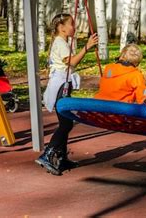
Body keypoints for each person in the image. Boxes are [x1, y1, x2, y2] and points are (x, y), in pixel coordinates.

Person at [36, 13, 98, 176]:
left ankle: (61, 157)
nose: (74, 27)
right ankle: (48, 154)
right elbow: (72, 62)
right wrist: (87, 46)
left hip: (63, 84)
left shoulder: (61, 42)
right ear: (61, 27)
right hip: (60, 86)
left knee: (67, 122)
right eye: (71, 24)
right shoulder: (61, 43)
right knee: (65, 123)